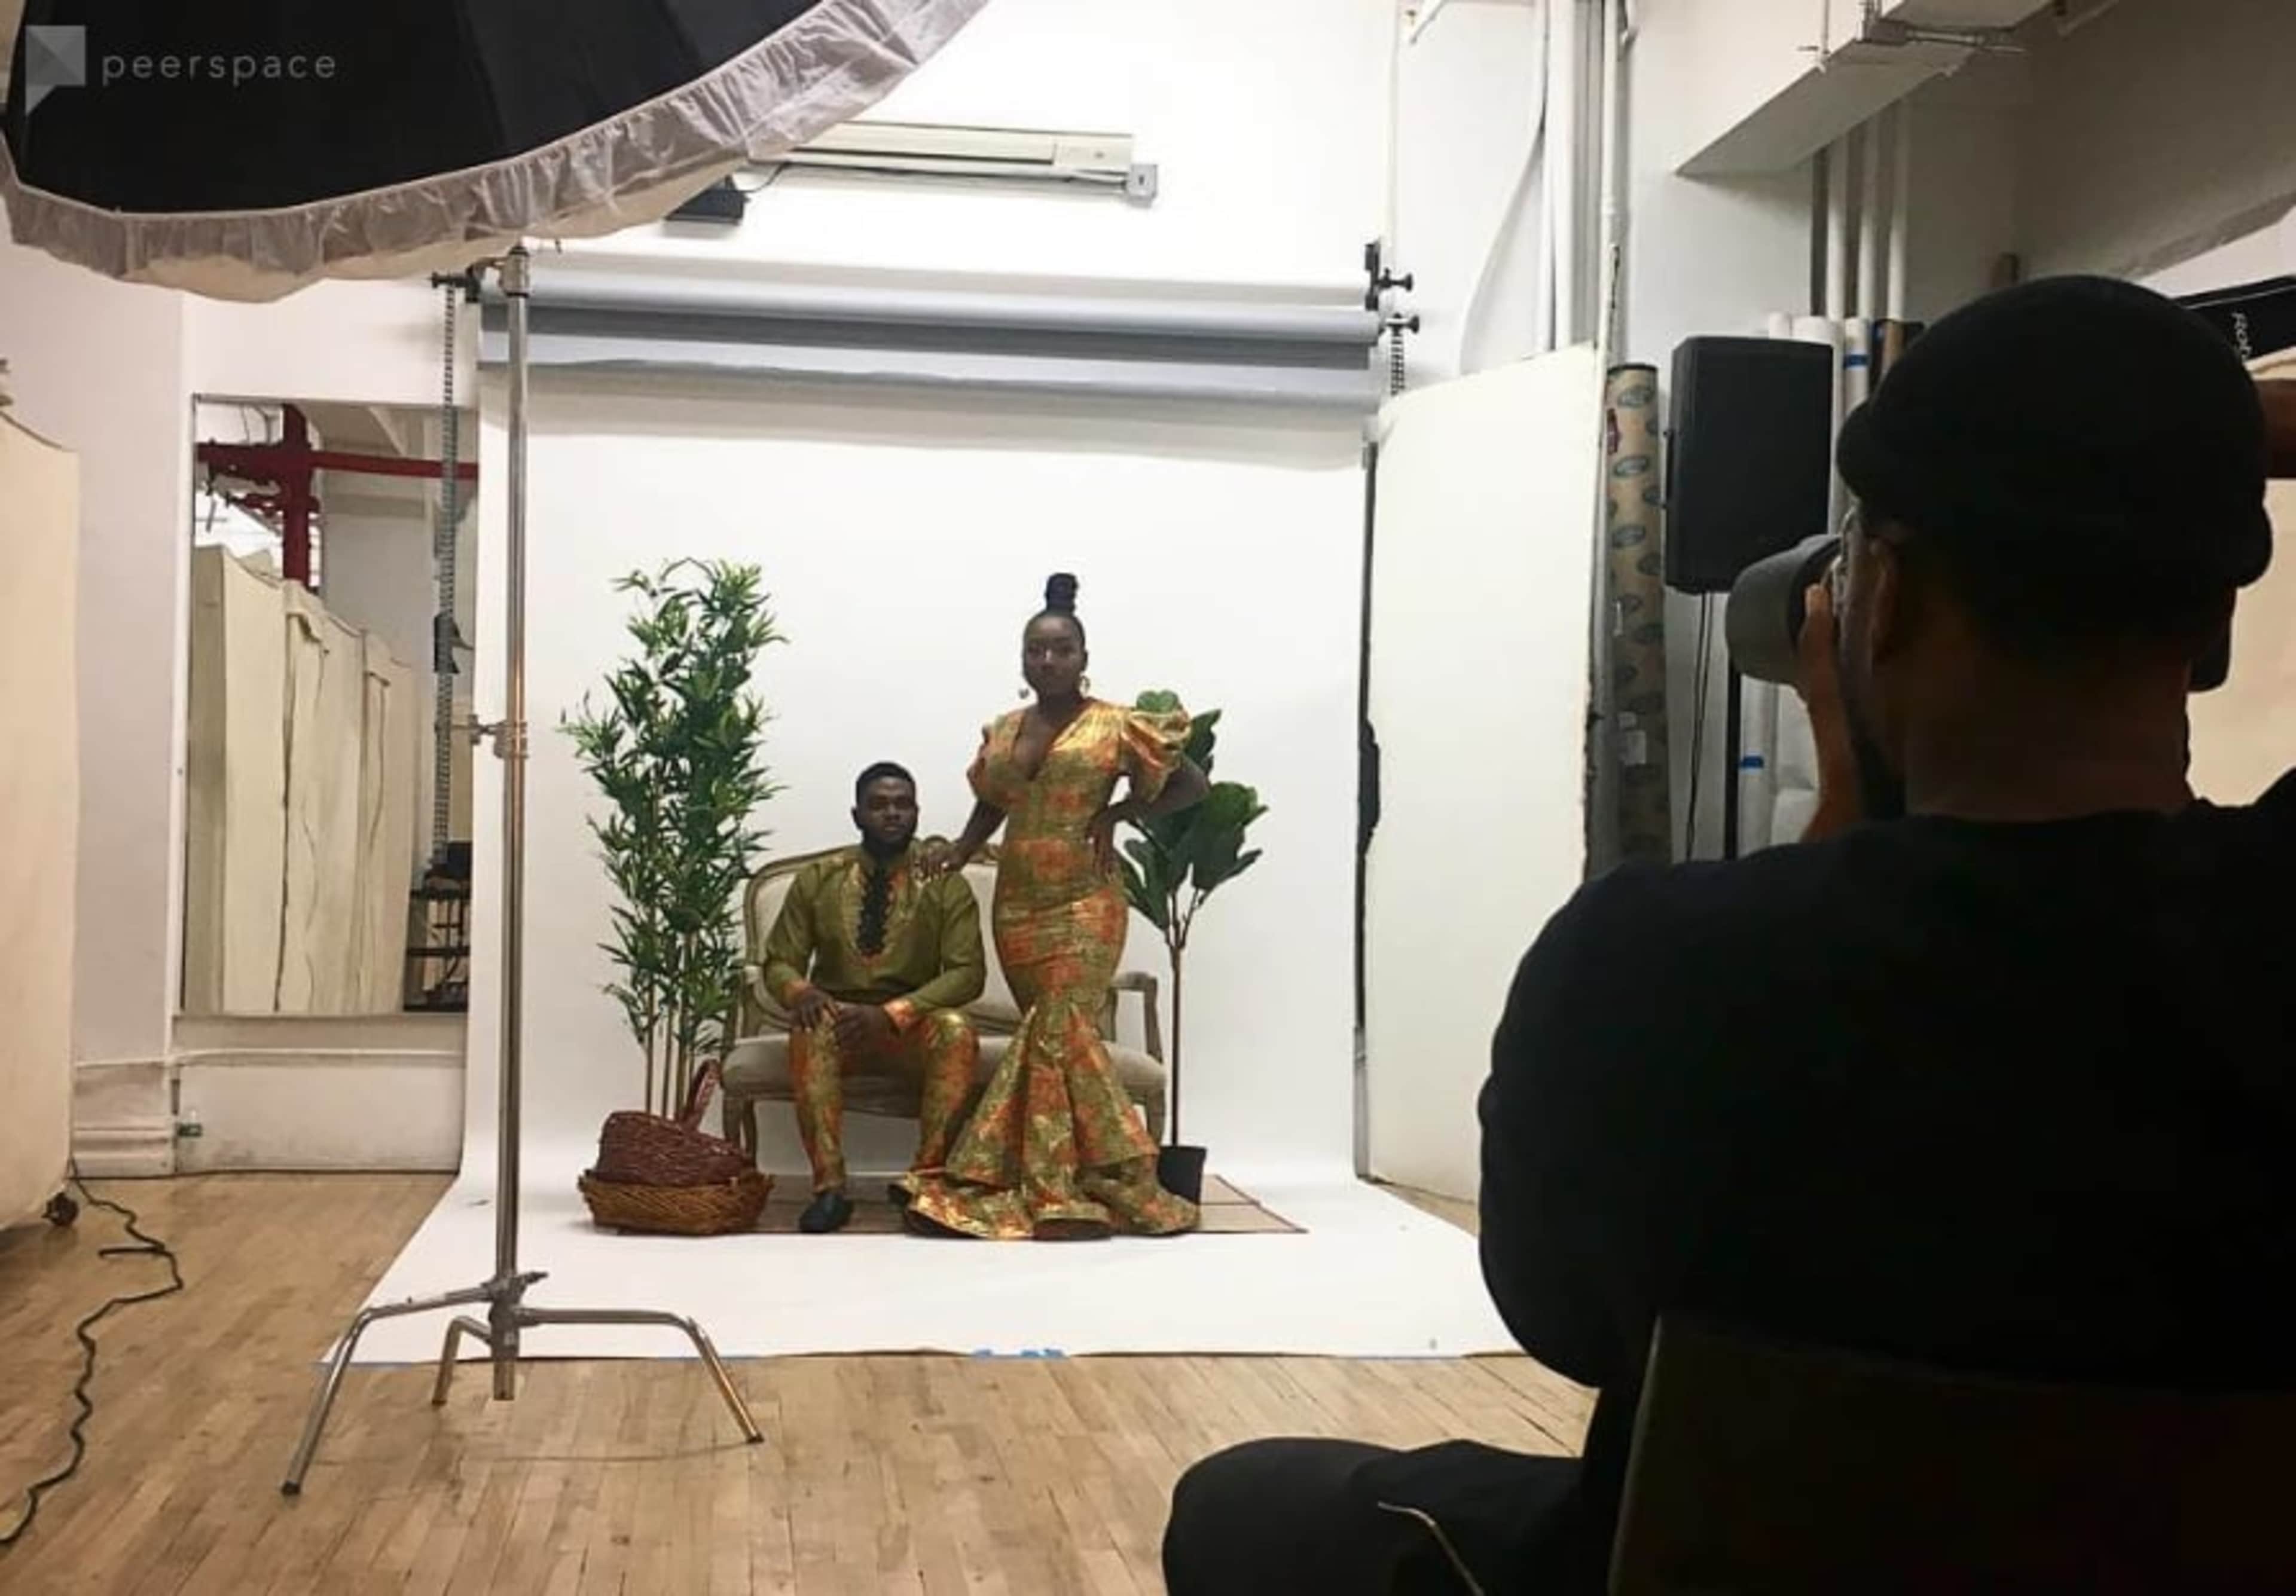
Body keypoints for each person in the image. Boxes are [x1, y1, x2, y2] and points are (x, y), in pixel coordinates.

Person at [1163, 276, 2296, 1592]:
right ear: (2215, 629)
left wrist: (1851, 792)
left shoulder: (1656, 968)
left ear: (1889, 605)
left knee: (1237, 1504)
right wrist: (2206, 440)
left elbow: (1568, 1321)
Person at [905, 573, 1210, 1240]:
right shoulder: (1006, 728)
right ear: (1023, 660)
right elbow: (995, 799)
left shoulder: (1117, 723)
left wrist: (1125, 809)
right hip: (1019, 901)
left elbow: (1192, 784)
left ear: (1082, 657)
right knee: (1054, 1033)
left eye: (1061, 649)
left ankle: (1042, 1187)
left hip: (1086, 897)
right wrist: (962, 846)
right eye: (1036, 651)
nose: (1048, 660)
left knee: (1059, 1020)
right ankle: (1077, 1181)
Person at [758, 762, 986, 1234]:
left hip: (911, 1024)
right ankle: (829, 1189)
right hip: (838, 1019)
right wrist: (800, 990)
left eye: (903, 805)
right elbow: (779, 960)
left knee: (957, 1031)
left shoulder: (945, 882)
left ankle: (924, 1183)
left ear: (917, 813)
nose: (892, 814)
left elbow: (968, 974)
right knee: (812, 1024)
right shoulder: (819, 878)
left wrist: (893, 1013)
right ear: (857, 814)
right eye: (879, 805)